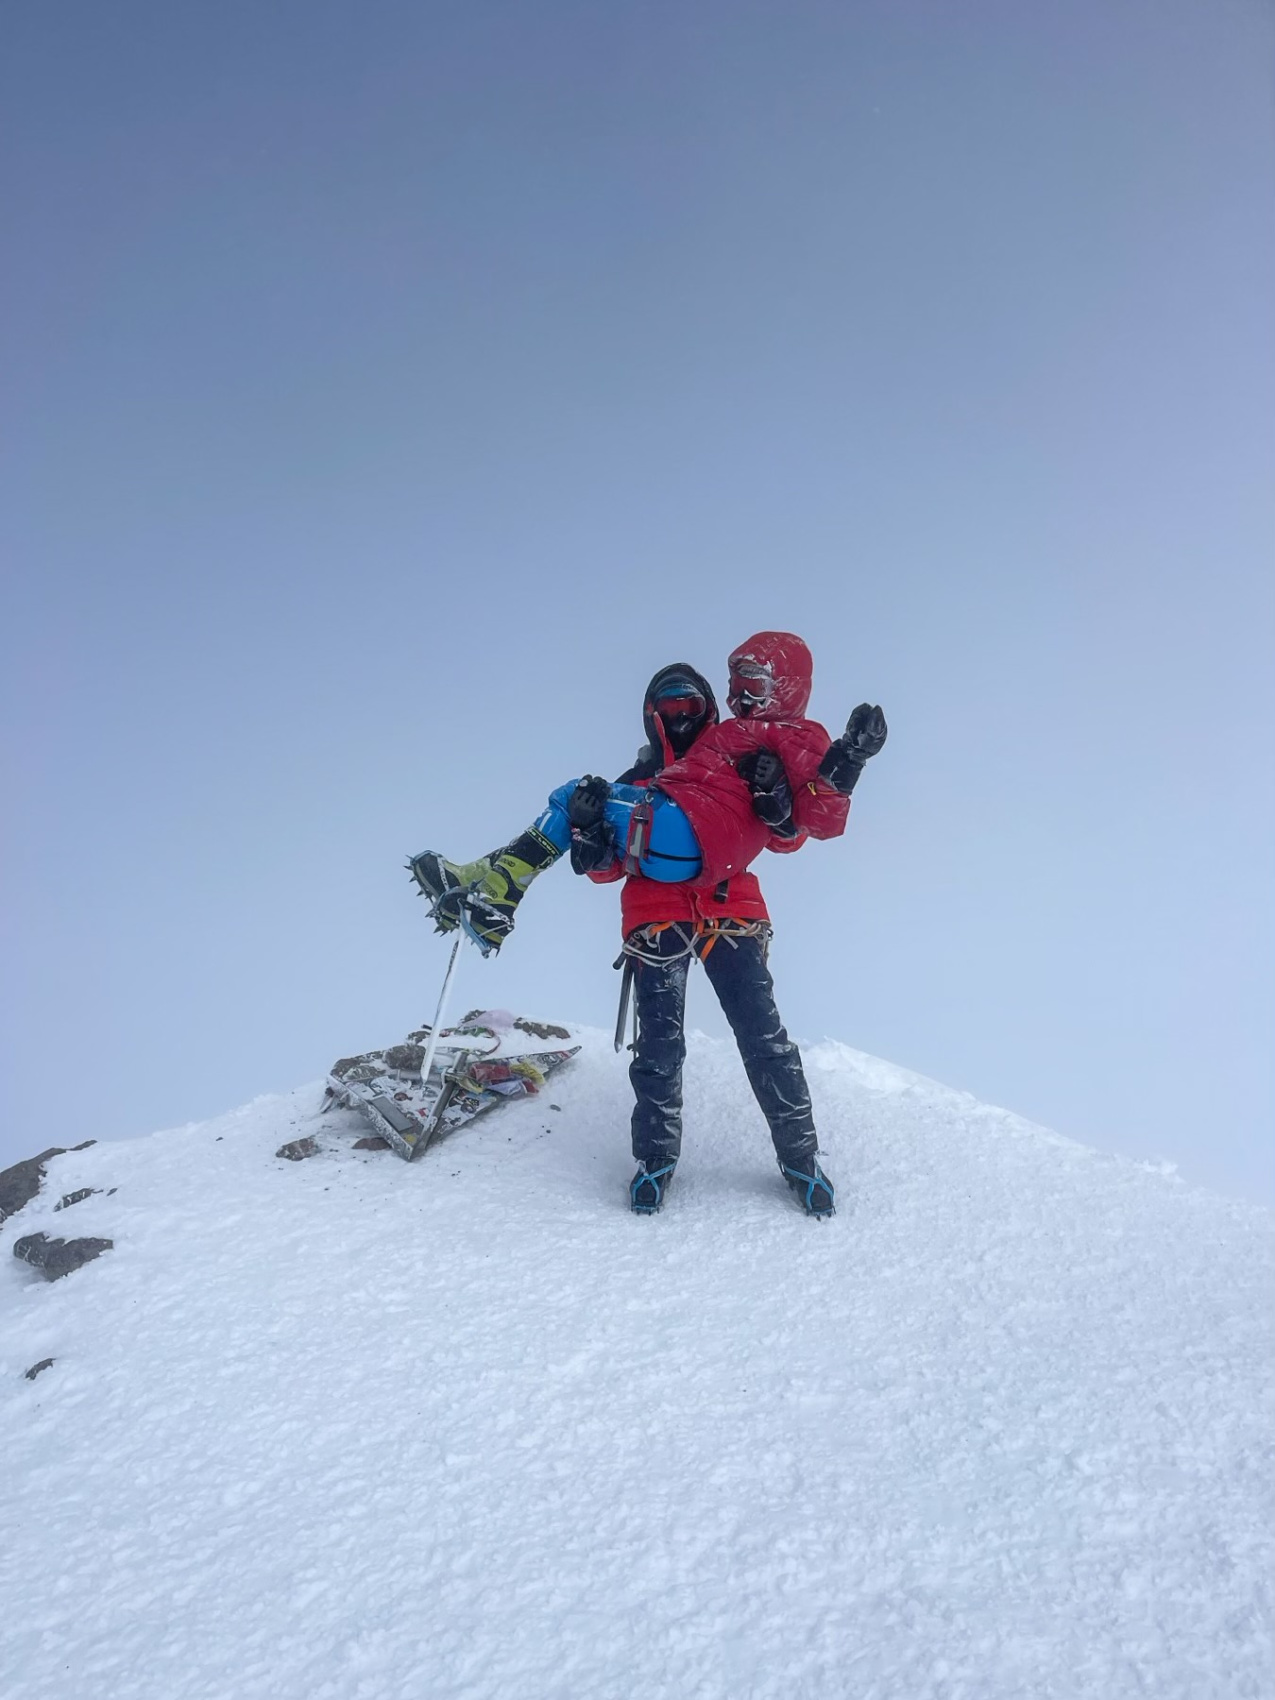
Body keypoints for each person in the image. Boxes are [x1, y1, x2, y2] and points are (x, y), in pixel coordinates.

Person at [408, 632, 887, 1216]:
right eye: (670, 710)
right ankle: (655, 1160)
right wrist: (588, 834)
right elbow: (606, 865)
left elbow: (793, 830)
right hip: (658, 914)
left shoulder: (736, 751)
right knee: (660, 1044)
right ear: (653, 718)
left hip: (728, 907)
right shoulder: (647, 781)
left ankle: (801, 1161)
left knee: (763, 1037)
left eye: (692, 707)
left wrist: (790, 792)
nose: (682, 719)